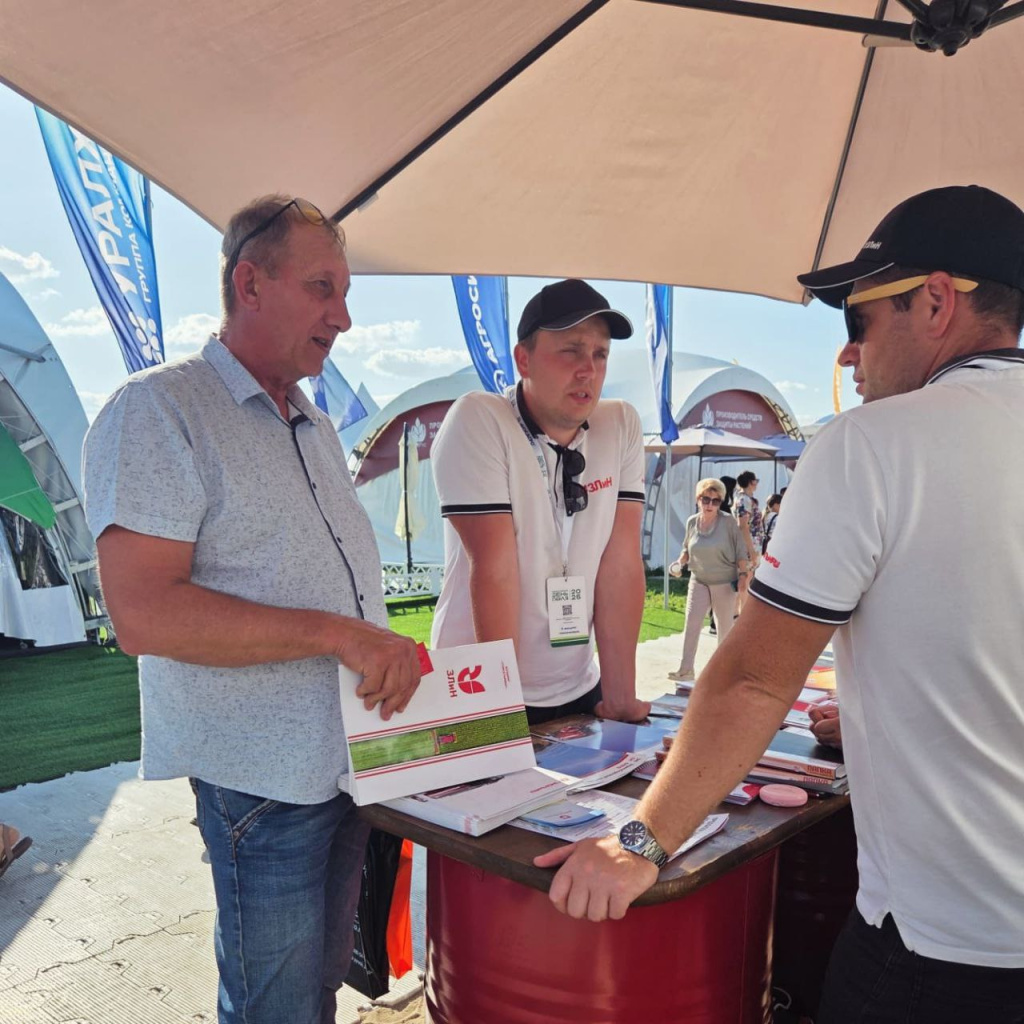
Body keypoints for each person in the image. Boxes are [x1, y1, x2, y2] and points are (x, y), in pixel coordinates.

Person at [534, 185, 1024, 1023]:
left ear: (938, 301)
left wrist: (641, 842)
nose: (849, 356)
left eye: (857, 321)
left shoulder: (874, 443)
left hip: (945, 944)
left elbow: (754, 681)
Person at [83, 195, 421, 1024]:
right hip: (261, 784)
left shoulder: (308, 419)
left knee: (310, 995)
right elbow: (144, 614)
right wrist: (341, 634)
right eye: (322, 288)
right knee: (275, 1007)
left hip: (345, 762)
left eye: (344, 294)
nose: (342, 316)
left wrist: (378, 642)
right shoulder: (159, 409)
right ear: (250, 282)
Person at [431, 278, 650, 724]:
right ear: (523, 359)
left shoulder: (621, 424)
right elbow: (493, 567)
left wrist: (621, 696)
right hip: (479, 691)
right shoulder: (480, 418)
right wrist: (501, 712)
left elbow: (622, 562)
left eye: (600, 353)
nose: (588, 369)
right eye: (570, 350)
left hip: (579, 688)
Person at [666, 478, 749, 682]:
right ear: (698, 499)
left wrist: (743, 576)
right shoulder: (692, 521)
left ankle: (724, 672)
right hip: (699, 579)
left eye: (715, 501)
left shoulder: (728, 521)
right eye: (706, 499)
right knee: (691, 624)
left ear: (721, 502)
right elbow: (687, 548)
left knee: (724, 628)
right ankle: (686, 669)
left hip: (724, 581)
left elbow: (741, 551)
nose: (710, 504)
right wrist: (679, 563)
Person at [732, 470, 762, 612]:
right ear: (752, 482)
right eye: (756, 480)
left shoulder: (745, 499)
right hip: (748, 547)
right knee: (745, 582)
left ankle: (738, 614)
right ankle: (740, 614)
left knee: (746, 581)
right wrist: (751, 551)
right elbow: (743, 526)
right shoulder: (744, 500)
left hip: (751, 546)